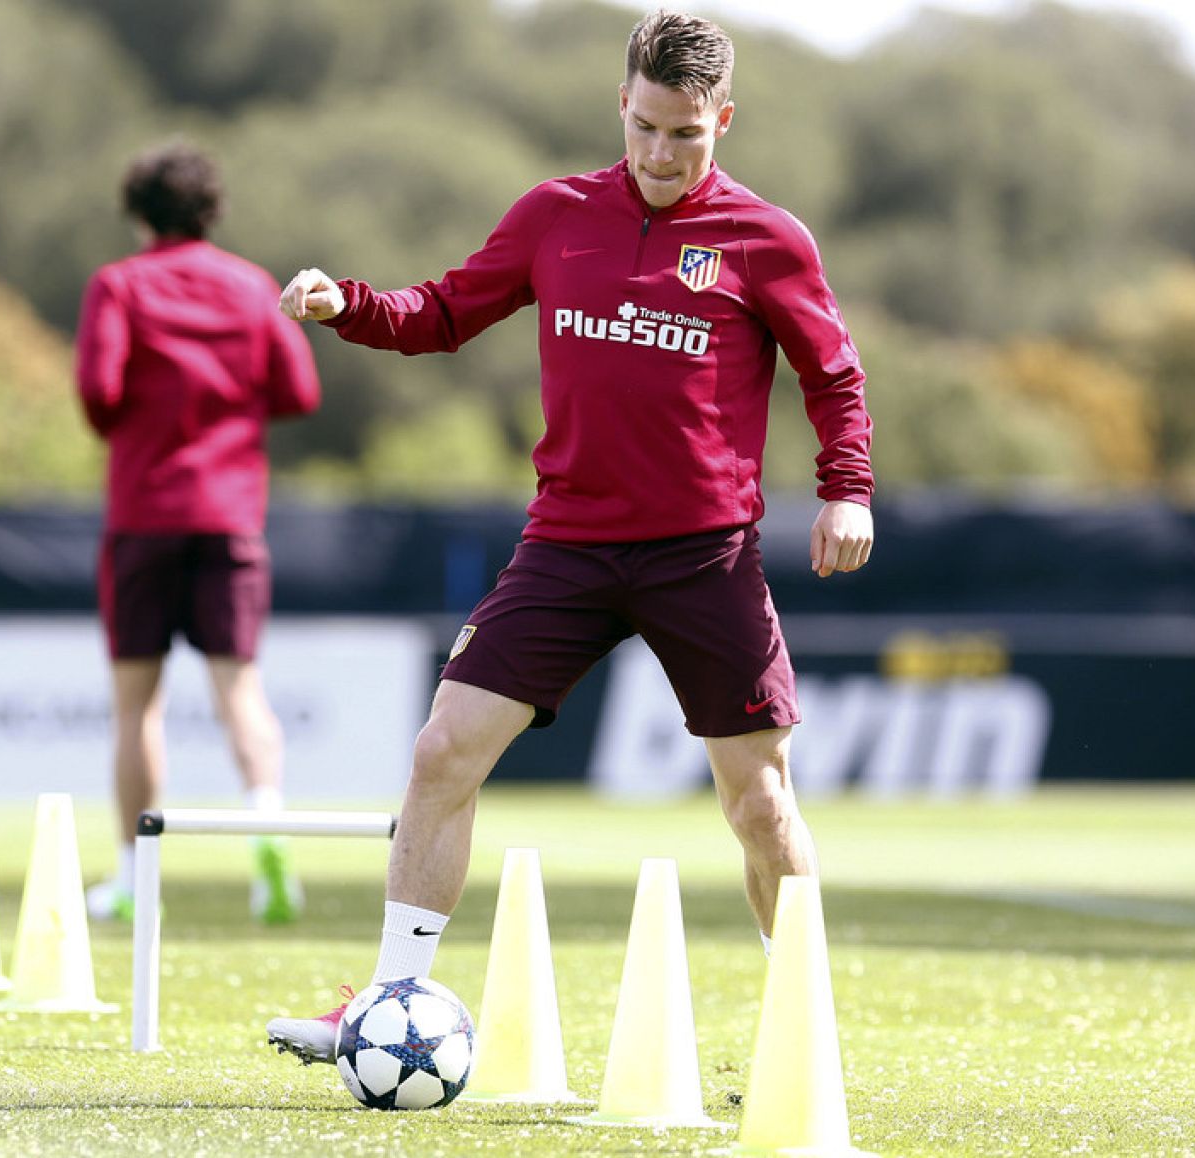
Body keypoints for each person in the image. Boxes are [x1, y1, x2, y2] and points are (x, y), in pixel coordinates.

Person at [265, 9, 873, 1062]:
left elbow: (833, 374)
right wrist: (345, 305)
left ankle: (800, 1036)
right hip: (567, 548)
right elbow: (444, 311)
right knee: (441, 752)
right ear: (620, 106)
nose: (659, 153)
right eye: (643, 126)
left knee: (761, 805)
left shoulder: (766, 240)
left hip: (706, 557)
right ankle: (389, 1004)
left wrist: (845, 490)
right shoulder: (555, 215)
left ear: (722, 120)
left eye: (685, 133)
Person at [75, 141, 322, 925]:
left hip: (146, 515)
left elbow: (97, 392)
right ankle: (266, 827)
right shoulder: (251, 287)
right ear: (211, 209)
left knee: (136, 709)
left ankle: (130, 877)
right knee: (240, 690)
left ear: (140, 212)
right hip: (228, 516)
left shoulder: (119, 286)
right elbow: (301, 390)